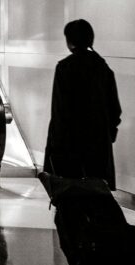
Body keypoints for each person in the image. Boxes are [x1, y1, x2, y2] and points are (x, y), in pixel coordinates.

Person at [44, 20, 122, 190]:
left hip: (69, 144)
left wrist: (54, 145)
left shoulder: (65, 68)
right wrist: (110, 133)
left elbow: (59, 111)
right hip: (98, 142)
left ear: (70, 41)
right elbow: (114, 107)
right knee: (96, 192)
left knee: (71, 194)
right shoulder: (102, 67)